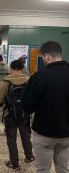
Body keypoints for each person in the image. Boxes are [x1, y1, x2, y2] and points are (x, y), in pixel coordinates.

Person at [22, 41, 69, 173]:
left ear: (47, 57)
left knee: (42, 169)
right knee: (63, 168)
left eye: (42, 58)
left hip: (44, 133)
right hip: (67, 134)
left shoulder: (40, 76)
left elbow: (28, 106)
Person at [0, 60, 34, 171]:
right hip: (24, 113)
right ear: (22, 68)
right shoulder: (29, 81)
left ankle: (15, 163)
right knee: (26, 135)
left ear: (11, 69)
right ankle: (29, 156)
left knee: (11, 138)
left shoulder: (5, 81)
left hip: (10, 114)